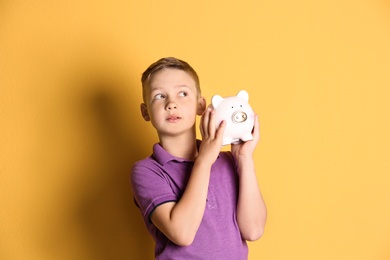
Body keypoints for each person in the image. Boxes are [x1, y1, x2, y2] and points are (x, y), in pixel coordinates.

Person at [130, 57, 267, 259]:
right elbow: (182, 233)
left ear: (201, 106)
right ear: (145, 112)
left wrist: (244, 159)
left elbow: (253, 230)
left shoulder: (229, 162)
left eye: (183, 93)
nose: (172, 104)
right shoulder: (147, 171)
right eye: (159, 96)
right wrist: (204, 161)